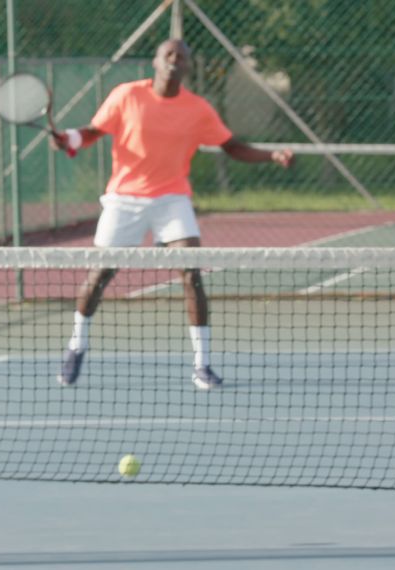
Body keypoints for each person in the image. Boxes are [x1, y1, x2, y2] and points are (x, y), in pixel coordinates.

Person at [51, 39, 293, 390]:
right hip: (124, 199)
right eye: (169, 55)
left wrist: (271, 156)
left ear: (187, 67)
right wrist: (70, 138)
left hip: (172, 199)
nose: (174, 60)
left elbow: (232, 147)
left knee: (191, 272)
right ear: (156, 60)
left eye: (181, 57)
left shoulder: (198, 109)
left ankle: (202, 364)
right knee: (100, 274)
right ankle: (76, 345)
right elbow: (94, 132)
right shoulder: (127, 95)